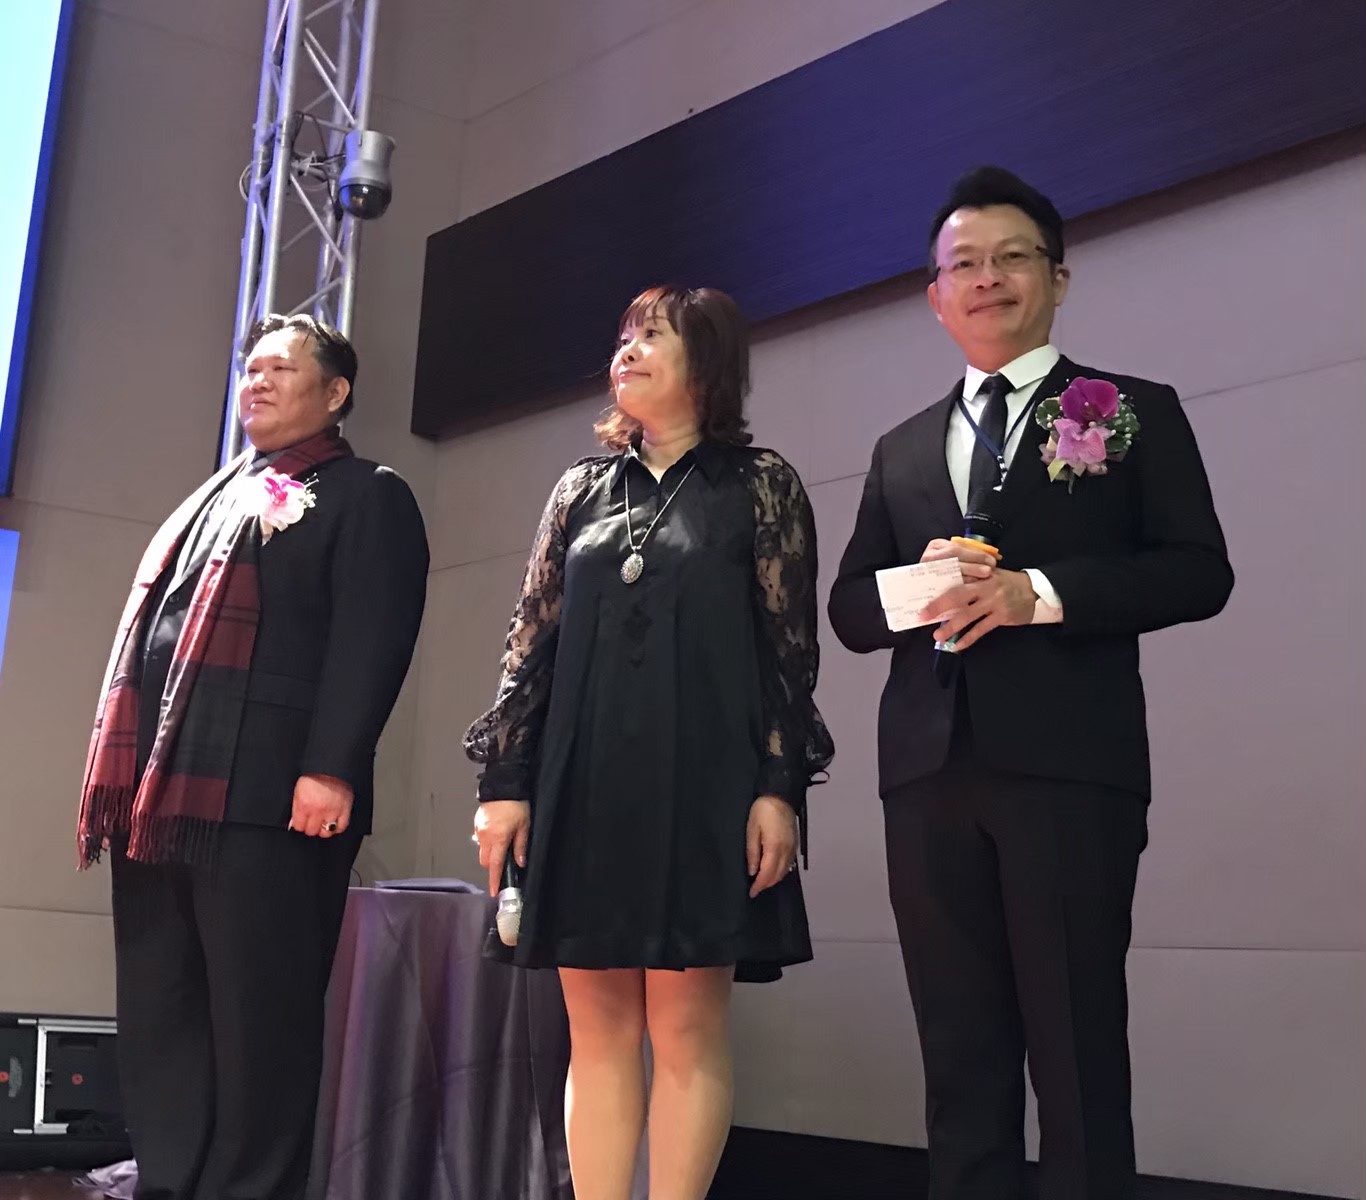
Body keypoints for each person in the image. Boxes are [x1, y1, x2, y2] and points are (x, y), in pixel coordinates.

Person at [827, 167, 1233, 1200]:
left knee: (1075, 1048)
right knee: (958, 1054)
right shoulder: (900, 448)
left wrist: (1035, 593)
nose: (987, 279)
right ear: (935, 297)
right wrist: (923, 587)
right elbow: (849, 610)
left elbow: (1198, 571)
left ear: (1058, 277)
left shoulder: (1128, 410)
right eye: (962, 264)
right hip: (927, 775)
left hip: (1068, 769)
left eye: (1012, 257)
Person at [465, 285, 833, 1200]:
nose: (627, 351)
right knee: (596, 1033)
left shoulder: (761, 485)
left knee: (687, 1031)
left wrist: (778, 787)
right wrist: (504, 782)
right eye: (624, 336)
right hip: (582, 779)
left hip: (707, 784)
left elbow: (789, 654)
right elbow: (528, 642)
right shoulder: (580, 488)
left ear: (708, 362)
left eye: (653, 336)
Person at [77, 314, 429, 1200]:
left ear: (336, 393)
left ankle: (250, 1189)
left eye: (280, 369)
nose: (257, 382)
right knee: (163, 1003)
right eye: (250, 369)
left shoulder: (367, 494)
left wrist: (332, 766)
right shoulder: (213, 497)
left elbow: (372, 640)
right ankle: (170, 1180)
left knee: (258, 1018)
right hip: (166, 795)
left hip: (274, 796)